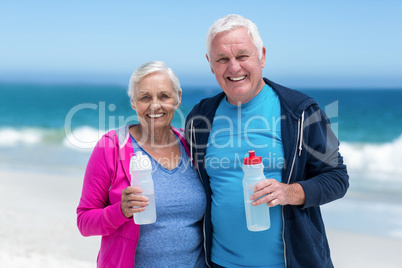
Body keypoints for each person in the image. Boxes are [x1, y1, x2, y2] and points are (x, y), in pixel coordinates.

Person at [185, 14, 349, 268]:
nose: (234, 67)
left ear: (261, 55)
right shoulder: (199, 117)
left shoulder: (303, 111)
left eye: (242, 56)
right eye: (222, 59)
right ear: (210, 63)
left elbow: (337, 177)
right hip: (219, 263)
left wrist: (289, 192)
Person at [77, 61, 207, 268]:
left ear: (178, 98)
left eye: (164, 96)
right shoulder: (111, 146)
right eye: (145, 97)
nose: (155, 105)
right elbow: (84, 222)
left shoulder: (192, 146)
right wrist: (121, 210)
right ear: (133, 102)